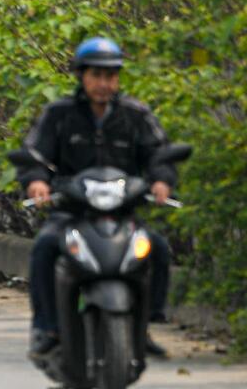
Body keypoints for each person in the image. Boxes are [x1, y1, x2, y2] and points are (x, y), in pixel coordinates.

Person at [20, 37, 177, 360]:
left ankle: (146, 322)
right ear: (82, 76)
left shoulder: (135, 114)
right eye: (97, 75)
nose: (104, 83)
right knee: (44, 248)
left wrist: (162, 181)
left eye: (111, 76)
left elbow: (159, 152)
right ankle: (47, 328)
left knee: (158, 249)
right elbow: (35, 153)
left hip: (123, 213)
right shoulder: (58, 113)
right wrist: (37, 182)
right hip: (71, 212)